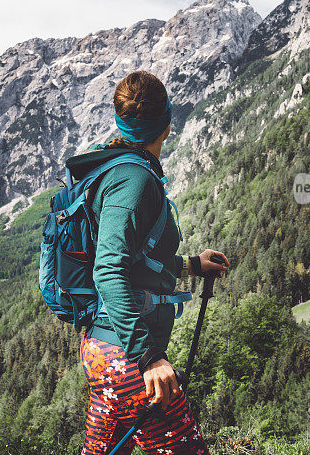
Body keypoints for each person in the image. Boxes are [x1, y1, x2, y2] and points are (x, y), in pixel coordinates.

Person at [66, 70, 229, 455]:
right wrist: (150, 357)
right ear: (167, 126)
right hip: (128, 357)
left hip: (104, 350)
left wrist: (191, 265)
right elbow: (109, 269)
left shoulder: (115, 168)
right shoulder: (133, 181)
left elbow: (138, 259)